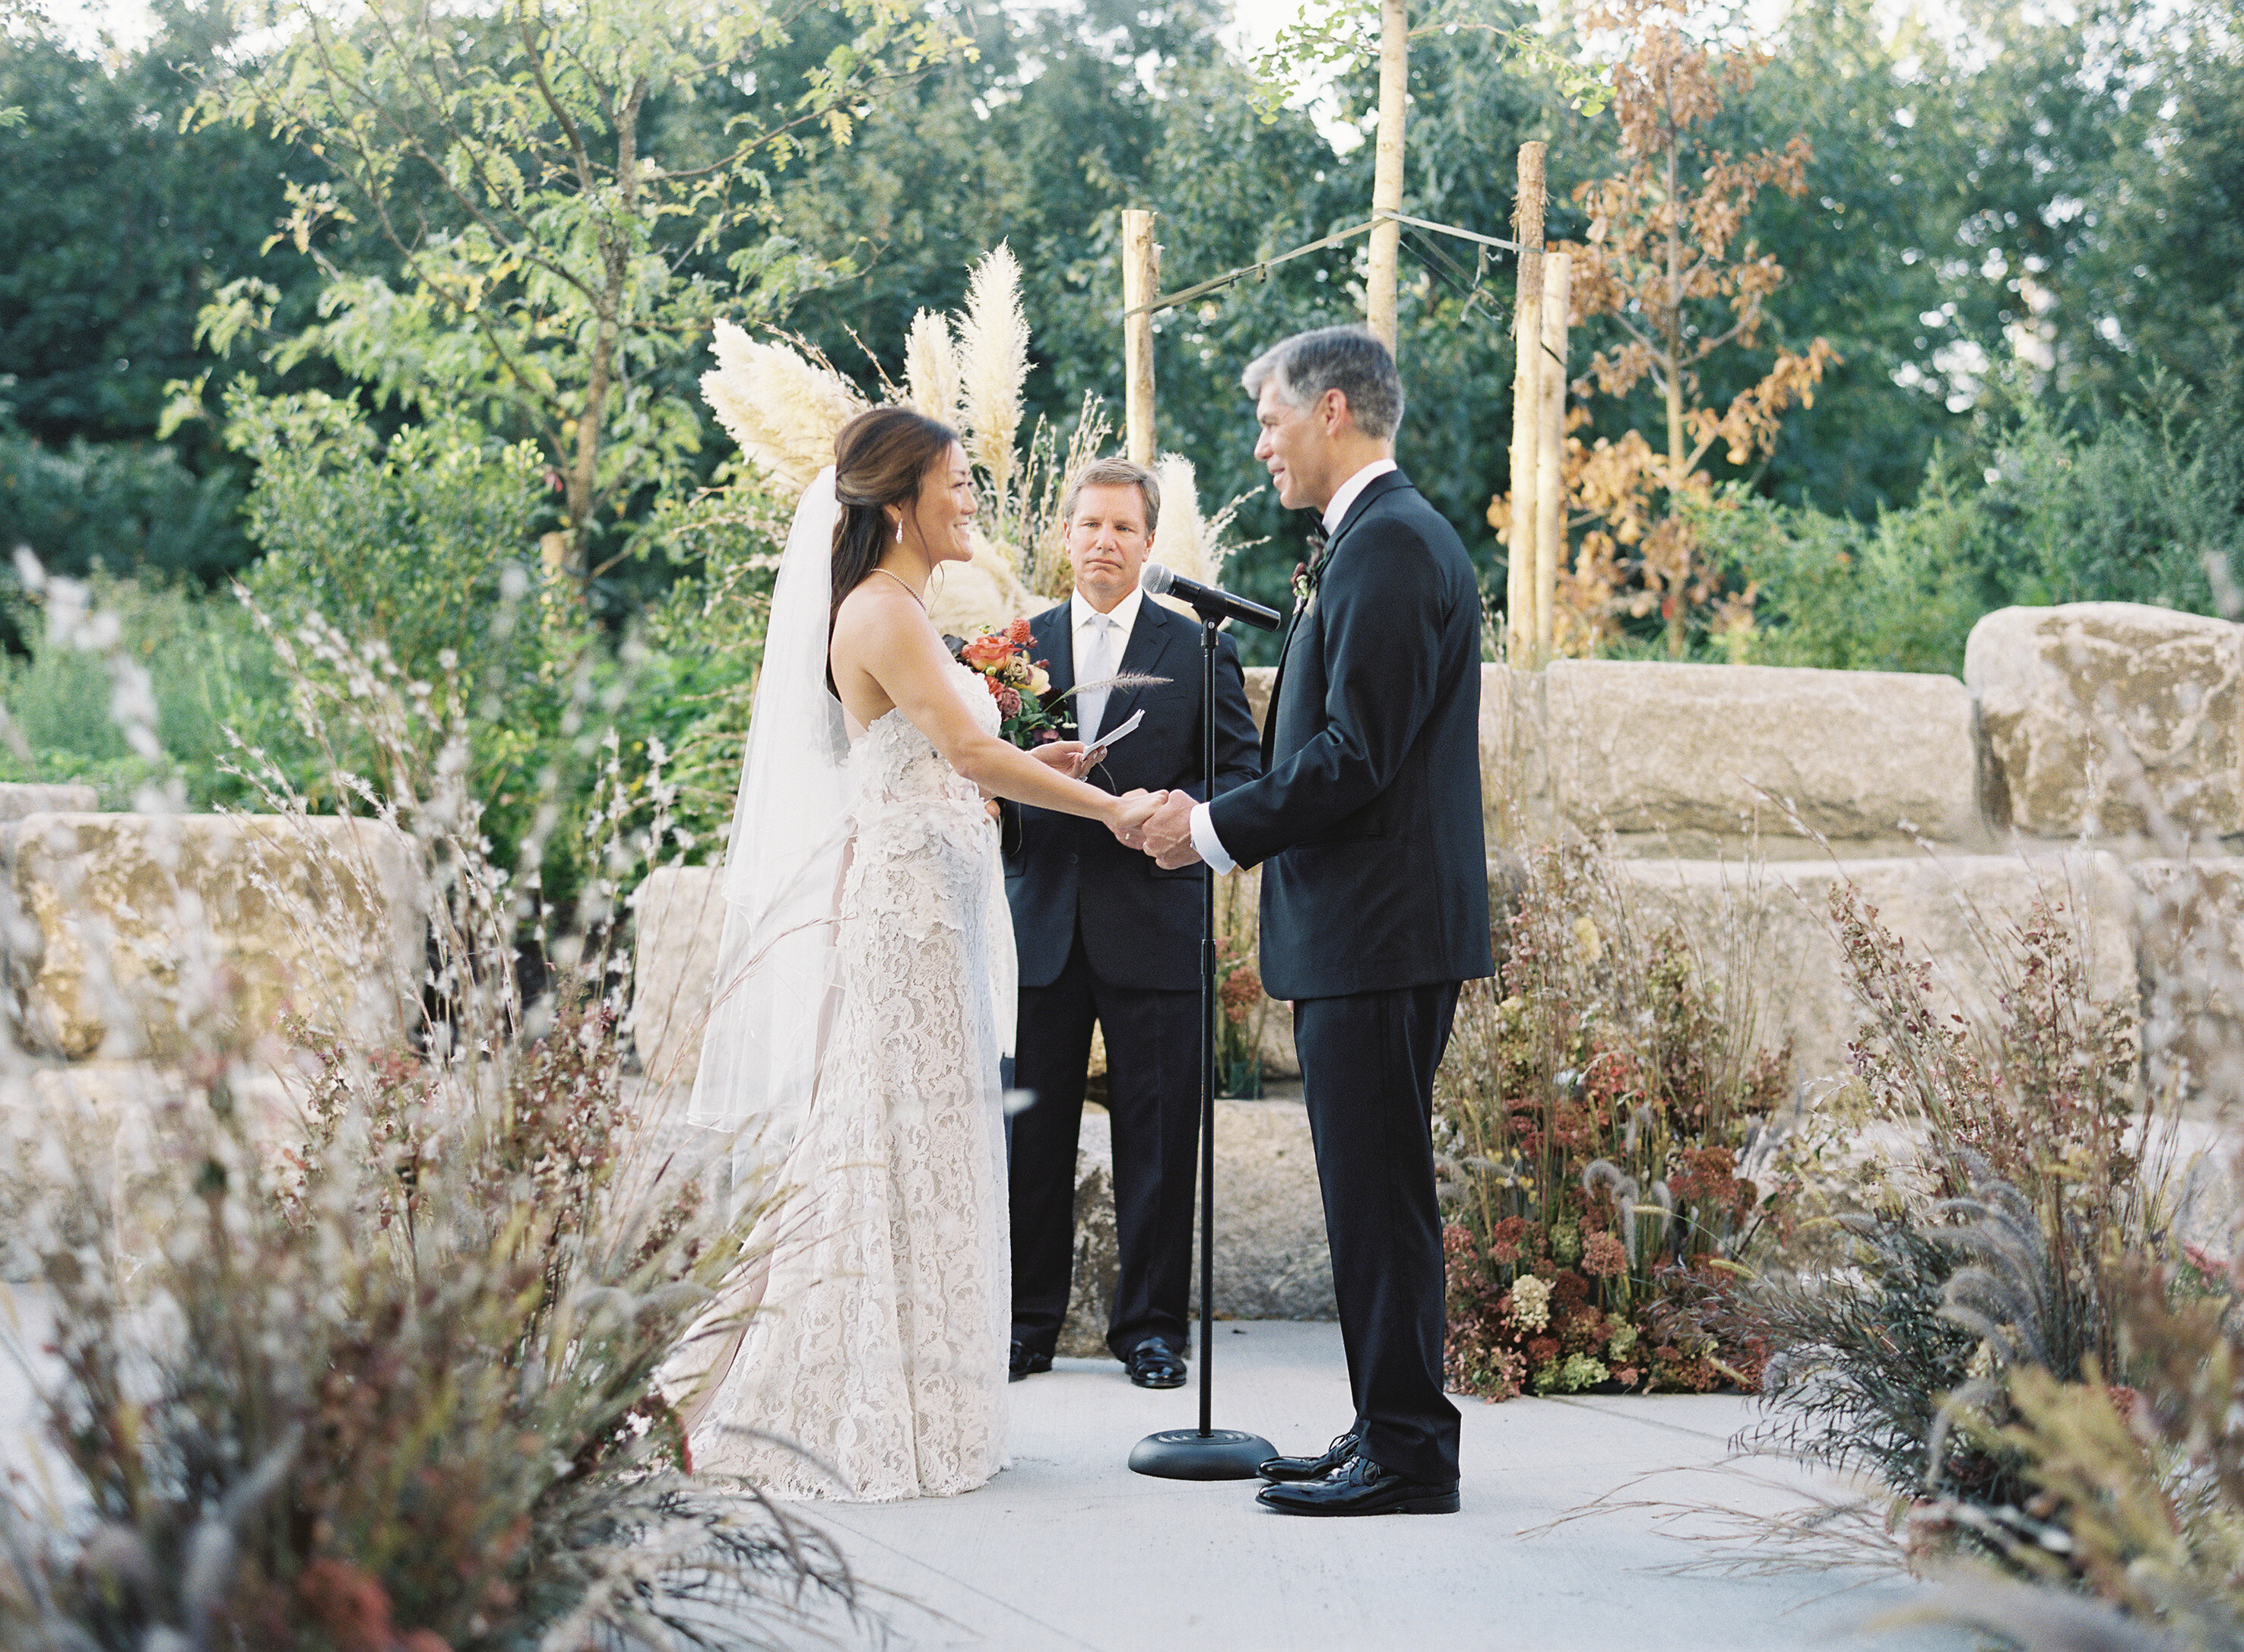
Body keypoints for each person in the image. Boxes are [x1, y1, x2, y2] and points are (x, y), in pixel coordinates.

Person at [681, 407, 1167, 1502]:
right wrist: (1107, 806)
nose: (972, 505)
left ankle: (927, 1396)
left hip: (932, 908)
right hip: (903, 921)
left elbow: (955, 756)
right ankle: (838, 1400)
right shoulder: (883, 612)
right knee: (891, 1142)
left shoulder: (903, 607)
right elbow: (964, 747)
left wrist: (1027, 757)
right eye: (957, 485)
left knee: (930, 1143)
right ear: (900, 501)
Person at [1128, 326, 1494, 1517]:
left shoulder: (1390, 548)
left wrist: (1216, 826)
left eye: (1270, 419)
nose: (1260, 443)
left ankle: (1409, 1454)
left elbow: (1356, 757)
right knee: (1369, 1192)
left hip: (1381, 934)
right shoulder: (1376, 543)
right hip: (1371, 931)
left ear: (1332, 410)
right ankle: (1388, 1426)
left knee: (1379, 1196)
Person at [1000, 458, 1261, 1390]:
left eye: (1123, 528)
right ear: (1064, 536)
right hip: (1040, 928)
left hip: (1154, 920)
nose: (1104, 541)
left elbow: (1244, 781)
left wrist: (1182, 810)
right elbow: (974, 781)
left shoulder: (1199, 649)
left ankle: (1151, 1330)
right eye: (1090, 525)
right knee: (1030, 1135)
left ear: (1150, 545)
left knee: (1158, 1137)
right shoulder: (1012, 646)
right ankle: (1027, 1324)